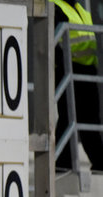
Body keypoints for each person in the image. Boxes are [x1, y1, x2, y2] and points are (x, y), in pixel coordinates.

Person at [52, 0, 103, 172]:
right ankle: (61, 164)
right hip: (69, 70)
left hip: (87, 71)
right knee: (69, 118)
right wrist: (63, 66)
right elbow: (53, 41)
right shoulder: (56, 6)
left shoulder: (81, 9)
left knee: (89, 119)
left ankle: (97, 162)